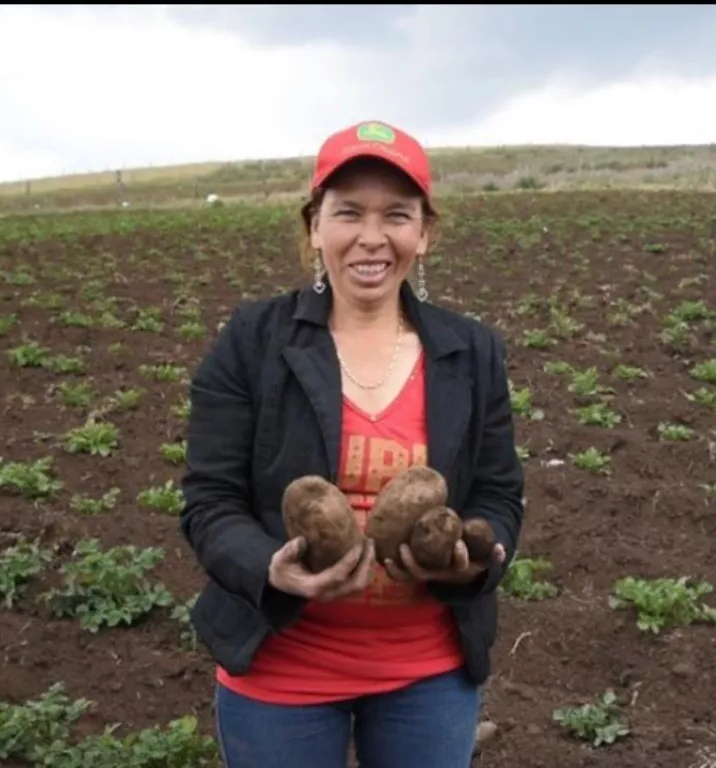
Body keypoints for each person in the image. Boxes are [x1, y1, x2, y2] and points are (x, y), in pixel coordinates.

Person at [179, 119, 526, 768]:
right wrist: (269, 566)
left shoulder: (472, 351)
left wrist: (477, 555)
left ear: (424, 233)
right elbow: (209, 500)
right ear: (315, 227)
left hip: (428, 671)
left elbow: (500, 492)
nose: (372, 237)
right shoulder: (253, 341)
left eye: (396, 214)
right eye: (348, 214)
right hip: (284, 673)